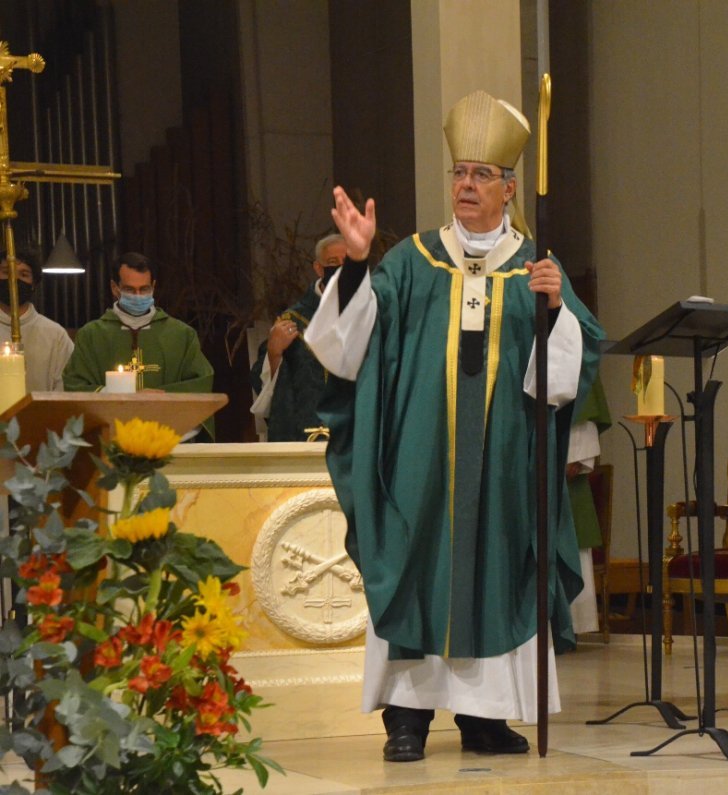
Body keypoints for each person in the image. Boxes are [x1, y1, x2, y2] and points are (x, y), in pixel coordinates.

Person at [305, 90, 604, 763]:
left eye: (481, 175)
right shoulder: (412, 261)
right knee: (416, 565)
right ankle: (407, 716)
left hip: (501, 465)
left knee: (497, 568)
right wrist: (356, 264)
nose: (466, 186)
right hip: (420, 459)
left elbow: (564, 377)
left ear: (508, 187)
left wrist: (556, 309)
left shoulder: (536, 269)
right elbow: (343, 346)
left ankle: (485, 714)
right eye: (459, 173)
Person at [63, 252, 216, 439]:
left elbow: (201, 384)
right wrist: (115, 393)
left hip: (171, 440)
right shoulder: (91, 335)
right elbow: (74, 385)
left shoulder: (182, 335)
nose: (137, 296)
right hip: (111, 439)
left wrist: (162, 395)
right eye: (129, 289)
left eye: (144, 289)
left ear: (153, 287)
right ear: (114, 288)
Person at [249, 234, 348, 441]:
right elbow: (271, 392)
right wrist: (274, 353)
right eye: (333, 263)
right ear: (319, 269)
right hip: (304, 439)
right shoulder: (292, 320)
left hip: (355, 440)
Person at [566, 378, 612, 635]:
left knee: (569, 531)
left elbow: (579, 381)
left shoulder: (568, 338)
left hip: (562, 468)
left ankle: (567, 626)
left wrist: (575, 453)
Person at [0, 247, 73, 391]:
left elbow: (66, 388)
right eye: (7, 272)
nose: (14, 280)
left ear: (33, 283)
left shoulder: (55, 335)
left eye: (23, 274)